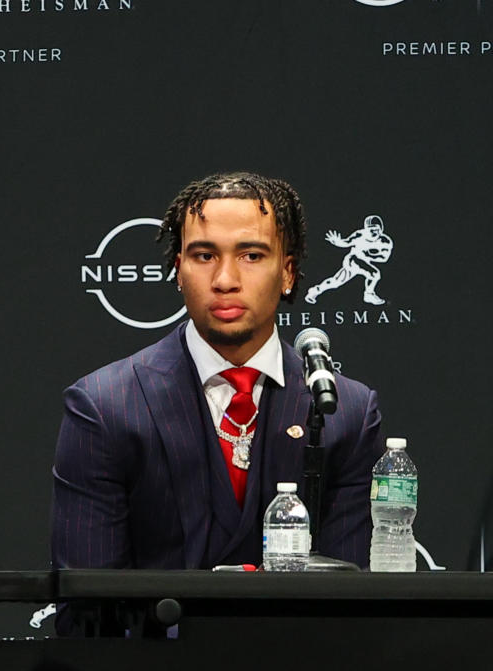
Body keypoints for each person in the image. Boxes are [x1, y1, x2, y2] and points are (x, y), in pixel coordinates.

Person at [52, 172, 385, 572]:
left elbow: (350, 604)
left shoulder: (346, 412)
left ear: (288, 273)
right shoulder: (105, 407)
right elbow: (87, 608)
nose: (225, 280)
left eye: (251, 256)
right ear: (178, 270)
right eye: (205, 256)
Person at [303, 214, 393, 305]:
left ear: (381, 229)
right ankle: (369, 294)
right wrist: (338, 242)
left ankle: (315, 290)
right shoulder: (359, 235)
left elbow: (384, 258)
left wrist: (368, 256)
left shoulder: (385, 242)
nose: (374, 232)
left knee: (336, 282)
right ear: (366, 229)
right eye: (371, 229)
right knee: (374, 274)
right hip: (353, 260)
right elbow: (346, 242)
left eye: (376, 230)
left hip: (365, 262)